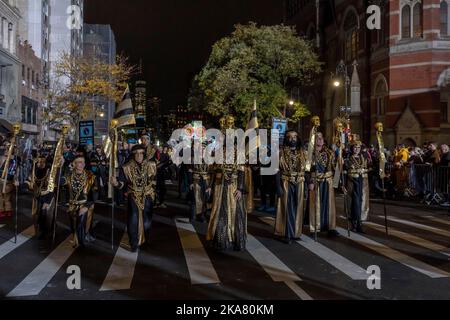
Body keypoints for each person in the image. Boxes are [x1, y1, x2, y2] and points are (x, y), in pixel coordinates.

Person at [207, 116, 247, 251]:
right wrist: (210, 186)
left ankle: (234, 239)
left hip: (234, 185)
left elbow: (242, 171)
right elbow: (213, 170)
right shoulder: (218, 151)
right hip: (219, 185)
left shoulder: (239, 152)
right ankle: (221, 240)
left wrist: (241, 188)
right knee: (219, 211)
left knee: (235, 212)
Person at [112, 144, 157, 252]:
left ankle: (145, 240)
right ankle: (133, 243)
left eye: (141, 153)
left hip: (148, 195)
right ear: (132, 155)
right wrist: (116, 183)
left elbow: (154, 180)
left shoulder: (151, 165)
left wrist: (153, 193)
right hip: (133, 195)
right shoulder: (126, 167)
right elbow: (122, 184)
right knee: (133, 219)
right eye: (136, 153)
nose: (139, 155)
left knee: (147, 220)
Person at [275, 131, 307, 244]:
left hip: (300, 182)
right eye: (289, 137)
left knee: (298, 207)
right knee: (287, 208)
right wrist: (278, 187)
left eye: (294, 137)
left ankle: (296, 232)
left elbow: (307, 170)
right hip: (286, 181)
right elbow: (277, 170)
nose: (292, 139)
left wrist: (309, 184)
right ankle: (287, 234)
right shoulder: (280, 152)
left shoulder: (303, 152)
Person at [61, 155, 98, 248]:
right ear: (74, 164)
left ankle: (80, 244)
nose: (82, 164)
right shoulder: (68, 175)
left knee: (81, 222)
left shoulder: (91, 176)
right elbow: (58, 182)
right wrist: (59, 167)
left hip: (85, 204)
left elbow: (95, 193)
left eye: (83, 162)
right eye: (79, 162)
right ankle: (81, 236)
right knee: (74, 227)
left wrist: (86, 206)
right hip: (72, 205)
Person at [308, 132, 339, 237]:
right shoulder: (310, 153)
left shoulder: (329, 152)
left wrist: (339, 155)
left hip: (328, 181)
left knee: (329, 205)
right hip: (316, 181)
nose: (319, 140)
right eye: (317, 138)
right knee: (315, 204)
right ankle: (315, 227)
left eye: (321, 138)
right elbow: (307, 169)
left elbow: (335, 166)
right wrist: (310, 181)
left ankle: (331, 227)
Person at [344, 140, 370, 233]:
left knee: (362, 202)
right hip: (352, 182)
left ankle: (360, 223)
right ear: (352, 148)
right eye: (355, 147)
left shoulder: (364, 157)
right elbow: (344, 170)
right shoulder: (348, 158)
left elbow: (371, 167)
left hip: (362, 182)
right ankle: (354, 223)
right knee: (353, 202)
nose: (356, 149)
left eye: (358, 147)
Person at [26, 155, 52, 239]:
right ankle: (37, 231)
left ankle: (44, 232)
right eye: (39, 162)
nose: (41, 163)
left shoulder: (49, 172)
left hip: (46, 196)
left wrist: (47, 201)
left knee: (43, 215)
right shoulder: (35, 170)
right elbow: (29, 182)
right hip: (36, 196)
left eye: (43, 161)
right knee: (35, 215)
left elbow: (52, 188)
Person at [188, 142, 212, 222]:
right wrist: (190, 182)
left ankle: (202, 216)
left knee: (204, 199)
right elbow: (190, 171)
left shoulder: (210, 159)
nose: (202, 150)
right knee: (194, 198)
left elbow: (212, 173)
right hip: (196, 180)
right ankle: (193, 216)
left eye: (204, 149)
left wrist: (210, 186)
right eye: (201, 148)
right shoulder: (193, 158)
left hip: (206, 180)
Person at [0, 142, 19, 218]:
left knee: (3, 196)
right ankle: (6, 210)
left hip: (5, 180)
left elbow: (12, 172)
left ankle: (4, 211)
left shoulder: (9, 160)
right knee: (5, 197)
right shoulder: (13, 160)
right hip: (6, 180)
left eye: (7, 149)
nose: (5, 150)